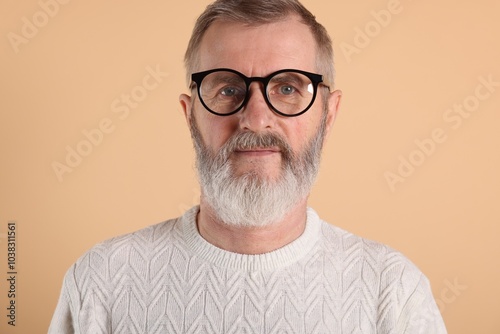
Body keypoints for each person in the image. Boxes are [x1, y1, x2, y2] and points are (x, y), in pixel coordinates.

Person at [49, 0, 447, 333]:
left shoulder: (393, 292)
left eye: (288, 88)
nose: (256, 119)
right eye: (227, 89)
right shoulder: (99, 281)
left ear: (328, 114)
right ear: (190, 116)